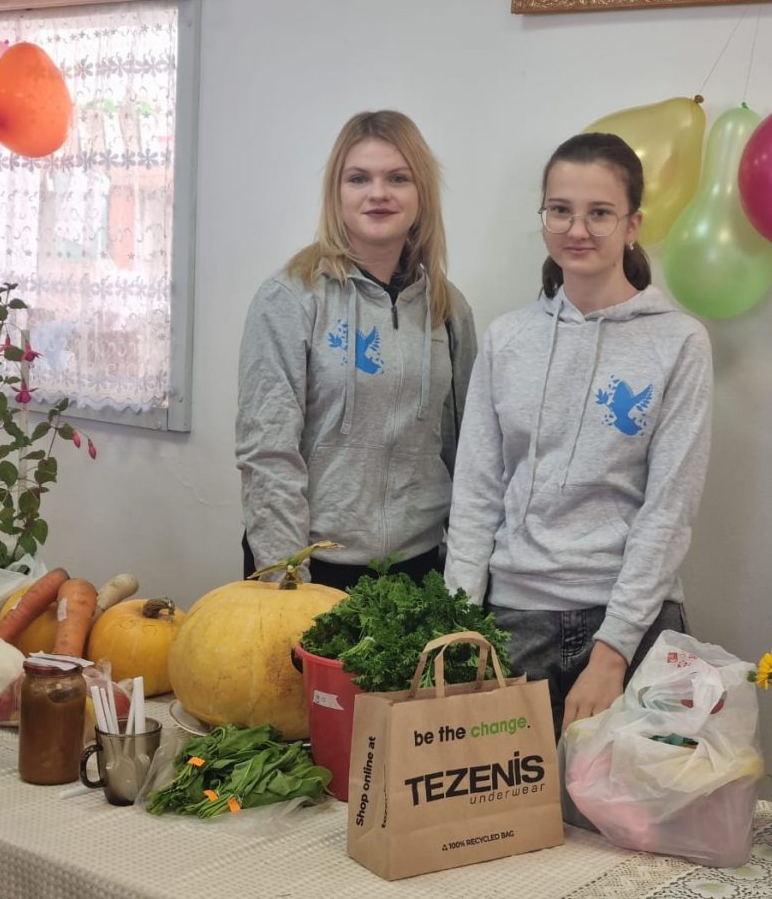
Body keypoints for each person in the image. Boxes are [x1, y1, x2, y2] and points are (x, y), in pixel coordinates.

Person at [444, 132, 713, 738]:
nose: (577, 229)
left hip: (633, 620)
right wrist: (459, 626)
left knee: (630, 803)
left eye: (600, 213)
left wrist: (612, 652)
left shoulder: (680, 342)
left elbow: (669, 509)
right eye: (560, 210)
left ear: (633, 224)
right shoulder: (508, 339)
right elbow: (477, 493)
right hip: (515, 620)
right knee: (508, 803)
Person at [237, 110, 477, 590]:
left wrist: (463, 574)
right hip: (309, 565)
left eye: (398, 178)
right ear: (337, 192)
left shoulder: (447, 309)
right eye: (359, 178)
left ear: (422, 193)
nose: (378, 193)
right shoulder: (290, 298)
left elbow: (466, 452)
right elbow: (268, 451)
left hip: (417, 568)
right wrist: (288, 580)